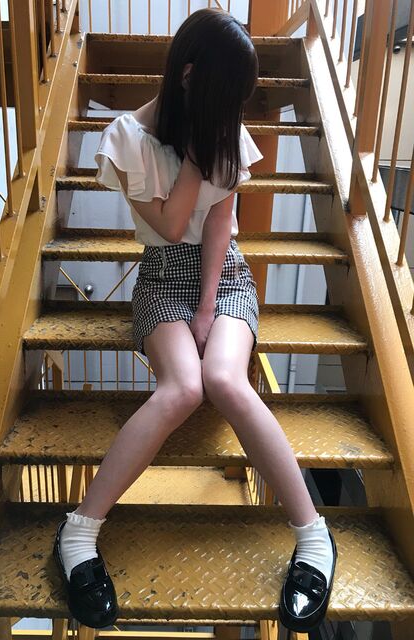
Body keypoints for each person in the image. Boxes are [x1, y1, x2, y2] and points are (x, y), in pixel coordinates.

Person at [53, 7, 337, 633]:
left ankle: (314, 537)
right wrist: (193, 159)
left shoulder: (224, 127)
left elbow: (219, 225)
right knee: (182, 388)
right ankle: (78, 533)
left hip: (222, 274)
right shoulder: (125, 139)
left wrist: (208, 308)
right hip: (161, 275)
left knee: (227, 381)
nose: (233, 111)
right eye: (226, 96)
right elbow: (171, 224)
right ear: (188, 77)